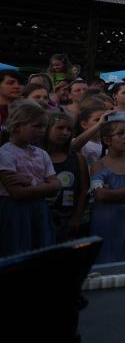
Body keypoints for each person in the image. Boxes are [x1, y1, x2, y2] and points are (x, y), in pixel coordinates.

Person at [0, 101, 60, 255]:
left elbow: (56, 185)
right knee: (18, 251)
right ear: (17, 126)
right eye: (37, 126)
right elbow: (18, 193)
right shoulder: (5, 154)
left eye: (44, 127)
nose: (42, 130)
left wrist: (31, 182)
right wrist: (45, 186)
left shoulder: (42, 153)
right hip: (15, 212)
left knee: (41, 250)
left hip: (39, 210)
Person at [89, 120, 125, 264]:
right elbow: (100, 195)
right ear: (107, 140)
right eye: (121, 133)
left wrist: (112, 196)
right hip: (105, 223)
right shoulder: (99, 166)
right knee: (105, 261)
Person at [43, 110, 90, 242]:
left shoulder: (77, 158)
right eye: (60, 128)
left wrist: (77, 216)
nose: (65, 133)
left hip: (68, 217)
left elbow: (84, 190)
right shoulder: (38, 157)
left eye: (69, 129)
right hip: (43, 216)